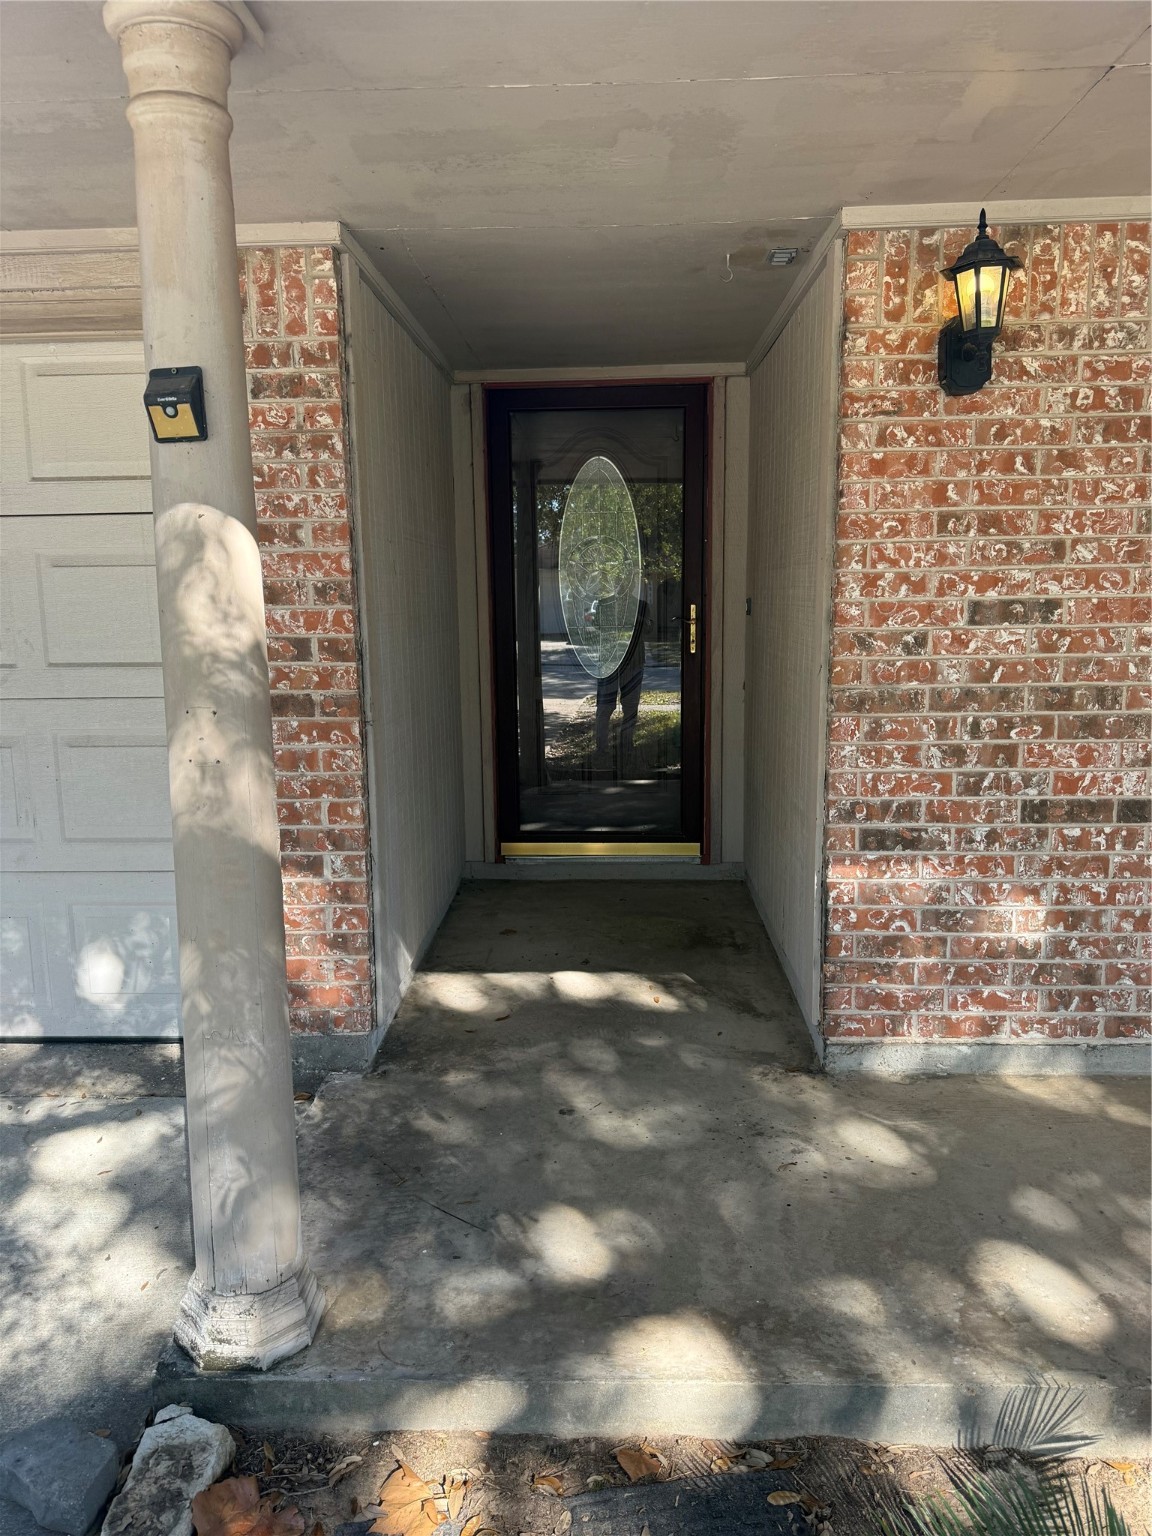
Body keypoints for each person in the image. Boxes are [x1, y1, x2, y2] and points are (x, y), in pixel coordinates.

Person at [595, 592, 653, 759]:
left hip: (633, 662)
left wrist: (639, 619)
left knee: (630, 706)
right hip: (609, 662)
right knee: (605, 707)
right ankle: (601, 748)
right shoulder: (604, 604)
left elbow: (649, 629)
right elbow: (599, 626)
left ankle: (626, 745)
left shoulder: (641, 606)